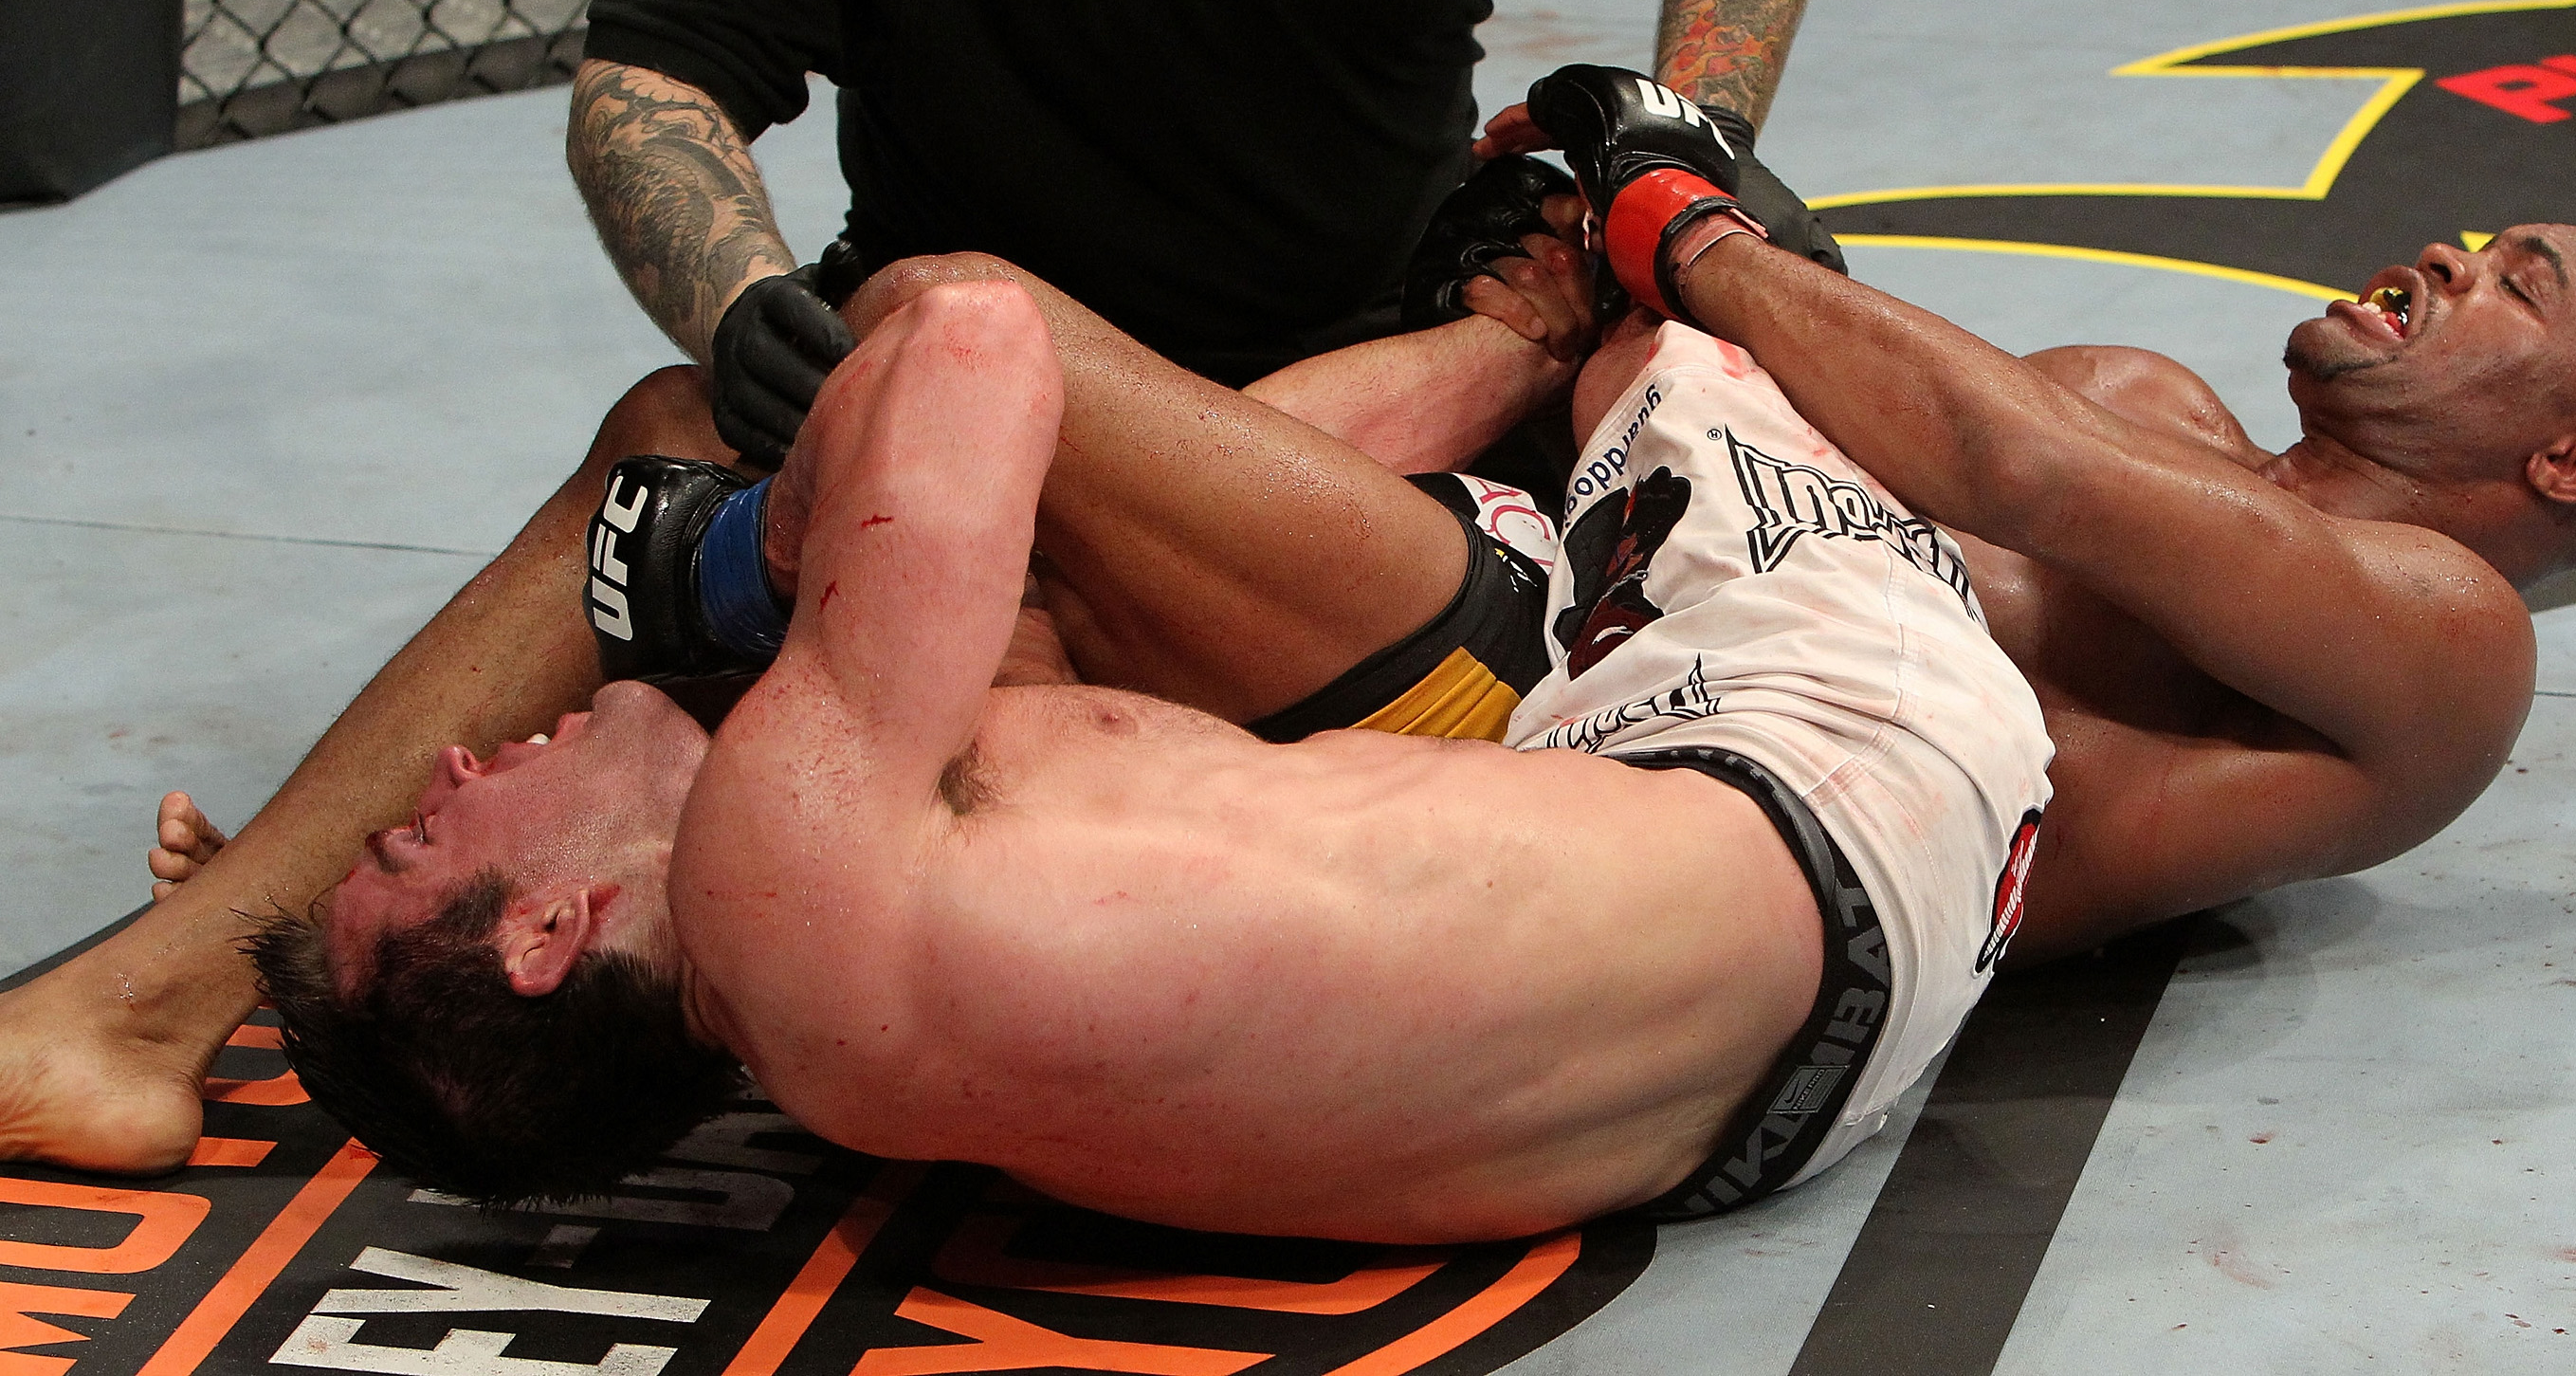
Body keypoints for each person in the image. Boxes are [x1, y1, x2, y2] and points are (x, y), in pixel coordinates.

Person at [247, 252, 2053, 1239]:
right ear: (546, 932)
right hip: (1840, 770)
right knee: (1672, 331)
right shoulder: (776, 863)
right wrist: (754, 544)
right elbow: (971, 334)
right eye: (423, 841)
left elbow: (1076, 549)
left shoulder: (867, 1032)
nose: (452, 770)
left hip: (1782, 1099)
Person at [1473, 64, 2576, 958]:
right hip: (1575, 638)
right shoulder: (2143, 398)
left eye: (2520, 285)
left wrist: (1692, 229)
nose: (2454, 256)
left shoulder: (2457, 645)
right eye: (2483, 241)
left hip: (1732, 862)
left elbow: (2023, 472)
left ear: (2573, 465)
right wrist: (1619, 258)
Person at [567, 0, 1849, 467]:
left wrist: (1693, 129)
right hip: (992, 403)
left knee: (1763, 406)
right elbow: (652, 79)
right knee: (662, 449)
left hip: (1417, 358)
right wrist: (738, 304)